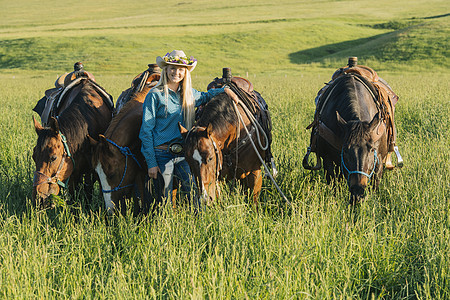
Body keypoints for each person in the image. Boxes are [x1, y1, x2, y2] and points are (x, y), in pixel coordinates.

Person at [139, 50, 238, 210]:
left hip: (185, 154)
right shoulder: (155, 95)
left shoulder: (189, 94)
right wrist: (151, 162)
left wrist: (225, 90)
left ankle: (200, 228)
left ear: (185, 73)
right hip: (162, 154)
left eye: (180, 69)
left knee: (195, 195)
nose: (175, 72)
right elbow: (146, 131)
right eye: (172, 68)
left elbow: (207, 96)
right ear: (166, 70)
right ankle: (166, 229)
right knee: (165, 202)